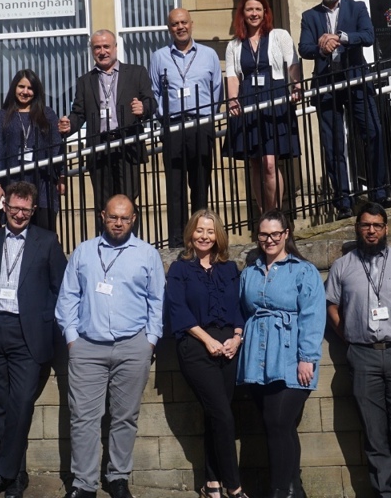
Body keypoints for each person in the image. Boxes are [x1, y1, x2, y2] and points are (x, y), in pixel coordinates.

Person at [56, 194, 165, 498]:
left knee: (125, 416)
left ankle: (118, 477)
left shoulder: (147, 254)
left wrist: (150, 341)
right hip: (88, 347)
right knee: (83, 419)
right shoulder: (84, 252)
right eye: (114, 217)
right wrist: (72, 338)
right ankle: (84, 483)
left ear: (134, 219)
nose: (119, 223)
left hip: (133, 347)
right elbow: (68, 297)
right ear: (103, 215)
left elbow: (157, 301)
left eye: (125, 218)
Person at [0, 181, 68, 498]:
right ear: (5, 207)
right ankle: (17, 476)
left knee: (21, 403)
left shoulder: (48, 241)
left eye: (26, 210)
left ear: (33, 210)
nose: (19, 214)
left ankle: (4, 474)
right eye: (14, 208)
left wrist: (44, 317)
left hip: (30, 335)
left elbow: (61, 288)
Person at [325, 202, 391, 498]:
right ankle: (383, 492)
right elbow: (332, 305)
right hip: (362, 354)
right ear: (357, 228)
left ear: (386, 228)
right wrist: (349, 335)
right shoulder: (343, 266)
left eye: (377, 225)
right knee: (374, 432)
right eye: (365, 225)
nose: (371, 230)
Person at [234, 210, 325, 498]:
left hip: (291, 357)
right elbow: (242, 310)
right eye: (263, 234)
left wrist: (307, 357)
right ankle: (294, 490)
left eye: (275, 233)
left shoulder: (303, 270)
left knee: (277, 422)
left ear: (286, 233)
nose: (269, 239)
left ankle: (278, 491)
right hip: (258, 358)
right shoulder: (249, 271)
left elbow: (313, 315)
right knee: (279, 426)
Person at [300, 0, 391, 219]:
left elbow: (368, 36)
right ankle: (343, 200)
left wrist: (341, 37)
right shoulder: (309, 16)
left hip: (356, 81)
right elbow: (304, 47)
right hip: (326, 85)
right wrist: (323, 46)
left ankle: (378, 193)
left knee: (373, 132)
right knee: (333, 144)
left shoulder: (357, 7)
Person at [164, 210, 249, 498]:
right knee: (223, 415)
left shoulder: (229, 269)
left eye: (210, 231)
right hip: (196, 347)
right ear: (190, 233)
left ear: (218, 236)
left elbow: (239, 308)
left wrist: (237, 338)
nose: (204, 236)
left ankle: (211, 483)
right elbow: (178, 309)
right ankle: (234, 487)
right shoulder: (179, 269)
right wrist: (207, 340)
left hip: (228, 349)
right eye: (199, 230)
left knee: (216, 415)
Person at [59, 31, 156, 221]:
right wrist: (69, 125)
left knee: (128, 202)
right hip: (99, 148)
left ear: (115, 48)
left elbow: (151, 102)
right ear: (92, 51)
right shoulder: (85, 81)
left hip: (128, 145)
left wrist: (143, 108)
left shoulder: (136, 72)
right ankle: (104, 247)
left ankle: (131, 247)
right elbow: (79, 113)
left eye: (106, 46)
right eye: (97, 47)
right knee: (103, 205)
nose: (102, 51)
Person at [223, 0, 302, 215]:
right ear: (243, 14)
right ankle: (262, 216)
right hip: (248, 99)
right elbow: (232, 76)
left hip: (274, 97)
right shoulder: (234, 45)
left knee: (270, 162)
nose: (254, 13)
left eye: (258, 9)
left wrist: (296, 85)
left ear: (265, 12)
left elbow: (292, 63)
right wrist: (232, 101)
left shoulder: (279, 35)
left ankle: (275, 213)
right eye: (249, 9)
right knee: (255, 162)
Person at [149, 9, 223, 247]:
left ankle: (201, 237)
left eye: (183, 22)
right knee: (175, 185)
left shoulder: (209, 54)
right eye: (174, 24)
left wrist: (209, 118)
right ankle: (177, 240)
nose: (180, 27)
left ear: (191, 24)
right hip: (173, 125)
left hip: (201, 124)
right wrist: (163, 115)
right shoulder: (159, 56)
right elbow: (155, 92)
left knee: (200, 183)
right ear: (169, 28)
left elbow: (216, 90)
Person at [0, 70, 64, 233]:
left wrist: (62, 175)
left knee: (44, 234)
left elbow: (57, 146)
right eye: (21, 86)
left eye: (30, 88)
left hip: (43, 183)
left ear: (36, 91)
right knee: (16, 233)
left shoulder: (47, 114)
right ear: (14, 88)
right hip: (12, 182)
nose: (25, 91)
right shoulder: (2, 116)